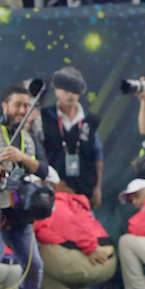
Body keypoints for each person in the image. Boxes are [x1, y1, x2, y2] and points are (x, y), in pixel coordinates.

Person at [0, 85, 51, 289]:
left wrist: (22, 157)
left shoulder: (28, 138)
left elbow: (44, 169)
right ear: (5, 106)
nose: (22, 110)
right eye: (17, 105)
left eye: (26, 106)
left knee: (34, 264)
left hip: (17, 210)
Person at [34, 169, 116, 289]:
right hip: (108, 259)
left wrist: (91, 248)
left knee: (32, 256)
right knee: (63, 250)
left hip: (95, 255)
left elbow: (70, 224)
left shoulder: (55, 201)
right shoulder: (73, 202)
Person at [41, 67, 104, 208]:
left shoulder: (90, 120)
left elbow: (97, 155)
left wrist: (98, 187)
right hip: (51, 190)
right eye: (65, 89)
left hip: (83, 191)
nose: (69, 94)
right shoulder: (44, 117)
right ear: (56, 90)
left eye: (74, 89)